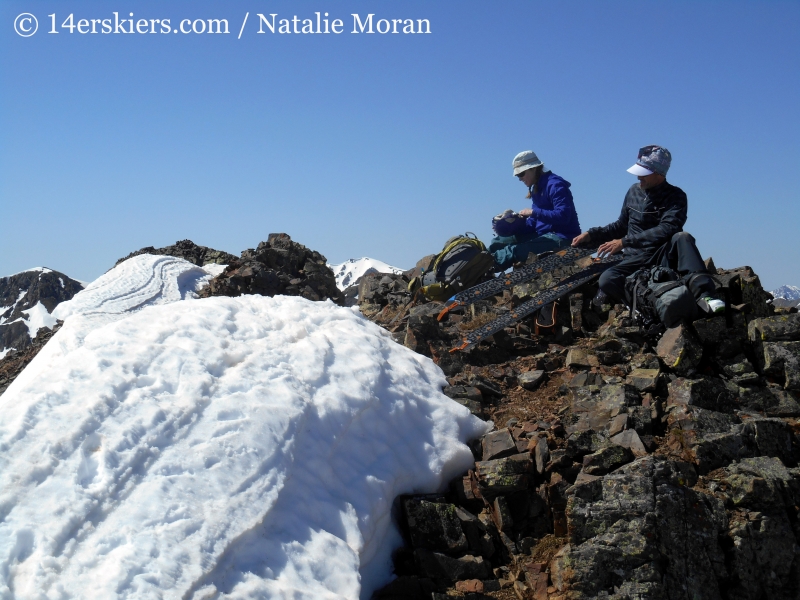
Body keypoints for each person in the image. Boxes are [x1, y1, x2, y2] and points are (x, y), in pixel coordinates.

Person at [571, 145, 722, 311]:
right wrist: (591, 234)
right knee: (607, 279)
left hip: (661, 254)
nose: (638, 177)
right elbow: (621, 225)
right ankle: (645, 307)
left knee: (683, 237)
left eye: (643, 174)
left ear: (658, 174)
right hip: (633, 258)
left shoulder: (676, 196)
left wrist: (625, 242)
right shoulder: (633, 192)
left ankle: (705, 295)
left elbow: (668, 228)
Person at [489, 150, 581, 270]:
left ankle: (480, 273)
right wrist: (510, 224)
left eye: (521, 174)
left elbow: (564, 215)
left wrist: (533, 212)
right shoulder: (536, 188)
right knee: (499, 242)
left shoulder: (555, 185)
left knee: (511, 252)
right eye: (518, 175)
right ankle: (476, 262)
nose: (520, 179)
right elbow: (534, 223)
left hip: (563, 238)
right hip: (544, 234)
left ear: (534, 168)